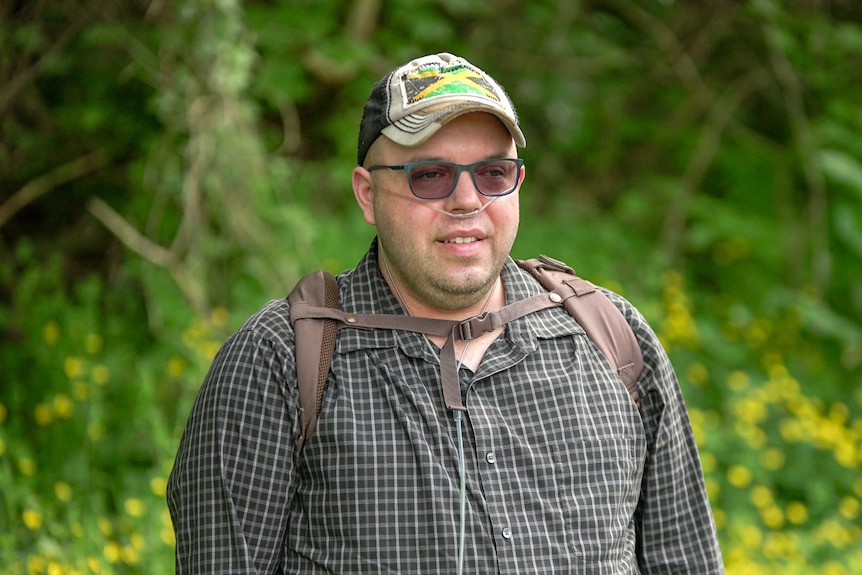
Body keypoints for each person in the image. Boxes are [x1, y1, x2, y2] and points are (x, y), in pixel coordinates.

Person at [167, 52, 725, 574]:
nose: (466, 201)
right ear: (367, 194)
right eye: (430, 175)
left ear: (518, 185)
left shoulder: (611, 338)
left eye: (493, 174)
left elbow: (687, 559)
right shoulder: (281, 360)